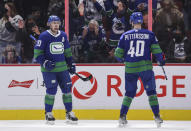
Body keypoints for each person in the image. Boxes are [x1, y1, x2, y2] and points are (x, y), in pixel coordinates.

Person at [114, 12, 165, 127]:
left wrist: (123, 60)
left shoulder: (125, 35)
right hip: (145, 68)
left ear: (131, 22)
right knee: (151, 92)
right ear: (141, 21)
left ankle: (122, 116)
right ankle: (157, 116)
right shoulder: (150, 34)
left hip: (130, 69)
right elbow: (157, 51)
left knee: (129, 93)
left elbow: (118, 54)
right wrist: (161, 60)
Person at [34, 15, 78, 125]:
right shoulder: (44, 36)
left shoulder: (63, 35)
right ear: (49, 24)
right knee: (51, 90)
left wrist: (71, 63)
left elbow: (67, 52)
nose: (56, 25)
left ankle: (69, 112)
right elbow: (37, 54)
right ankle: (48, 113)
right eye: (53, 23)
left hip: (63, 69)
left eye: (57, 22)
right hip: (49, 70)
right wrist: (45, 62)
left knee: (67, 90)